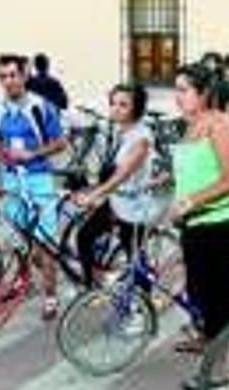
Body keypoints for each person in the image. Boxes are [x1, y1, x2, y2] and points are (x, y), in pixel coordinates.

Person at [0, 54, 68, 320]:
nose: (9, 81)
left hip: (38, 180)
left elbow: (60, 143)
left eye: (13, 75)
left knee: (45, 245)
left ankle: (51, 297)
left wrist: (33, 153)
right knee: (21, 240)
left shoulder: (41, 107)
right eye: (3, 76)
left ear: (24, 76)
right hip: (11, 181)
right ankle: (24, 282)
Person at [165, 63, 229, 387]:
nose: (177, 97)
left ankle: (220, 367)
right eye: (176, 89)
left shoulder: (220, 124)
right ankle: (205, 338)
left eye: (184, 90)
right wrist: (165, 180)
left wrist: (191, 202)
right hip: (194, 223)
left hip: (218, 223)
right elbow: (195, 169)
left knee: (218, 297)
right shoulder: (191, 124)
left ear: (204, 93)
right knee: (198, 289)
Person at [73, 83, 158, 286]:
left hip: (133, 207)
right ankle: (92, 284)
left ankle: (143, 306)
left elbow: (122, 174)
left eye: (123, 105)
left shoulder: (141, 138)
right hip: (115, 201)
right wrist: (93, 190)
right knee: (84, 237)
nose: (115, 109)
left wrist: (94, 196)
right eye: (113, 103)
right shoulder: (121, 131)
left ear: (136, 108)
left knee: (136, 260)